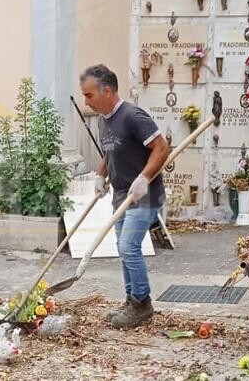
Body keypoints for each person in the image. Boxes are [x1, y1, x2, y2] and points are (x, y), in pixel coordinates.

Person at [79, 64, 171, 329]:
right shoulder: (103, 120)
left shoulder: (133, 116)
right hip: (121, 195)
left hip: (144, 195)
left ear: (107, 91)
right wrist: (101, 174)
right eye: (84, 95)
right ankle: (132, 300)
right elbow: (110, 151)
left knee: (128, 248)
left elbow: (161, 148)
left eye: (89, 95)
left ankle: (142, 303)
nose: (86, 101)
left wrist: (144, 178)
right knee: (124, 250)